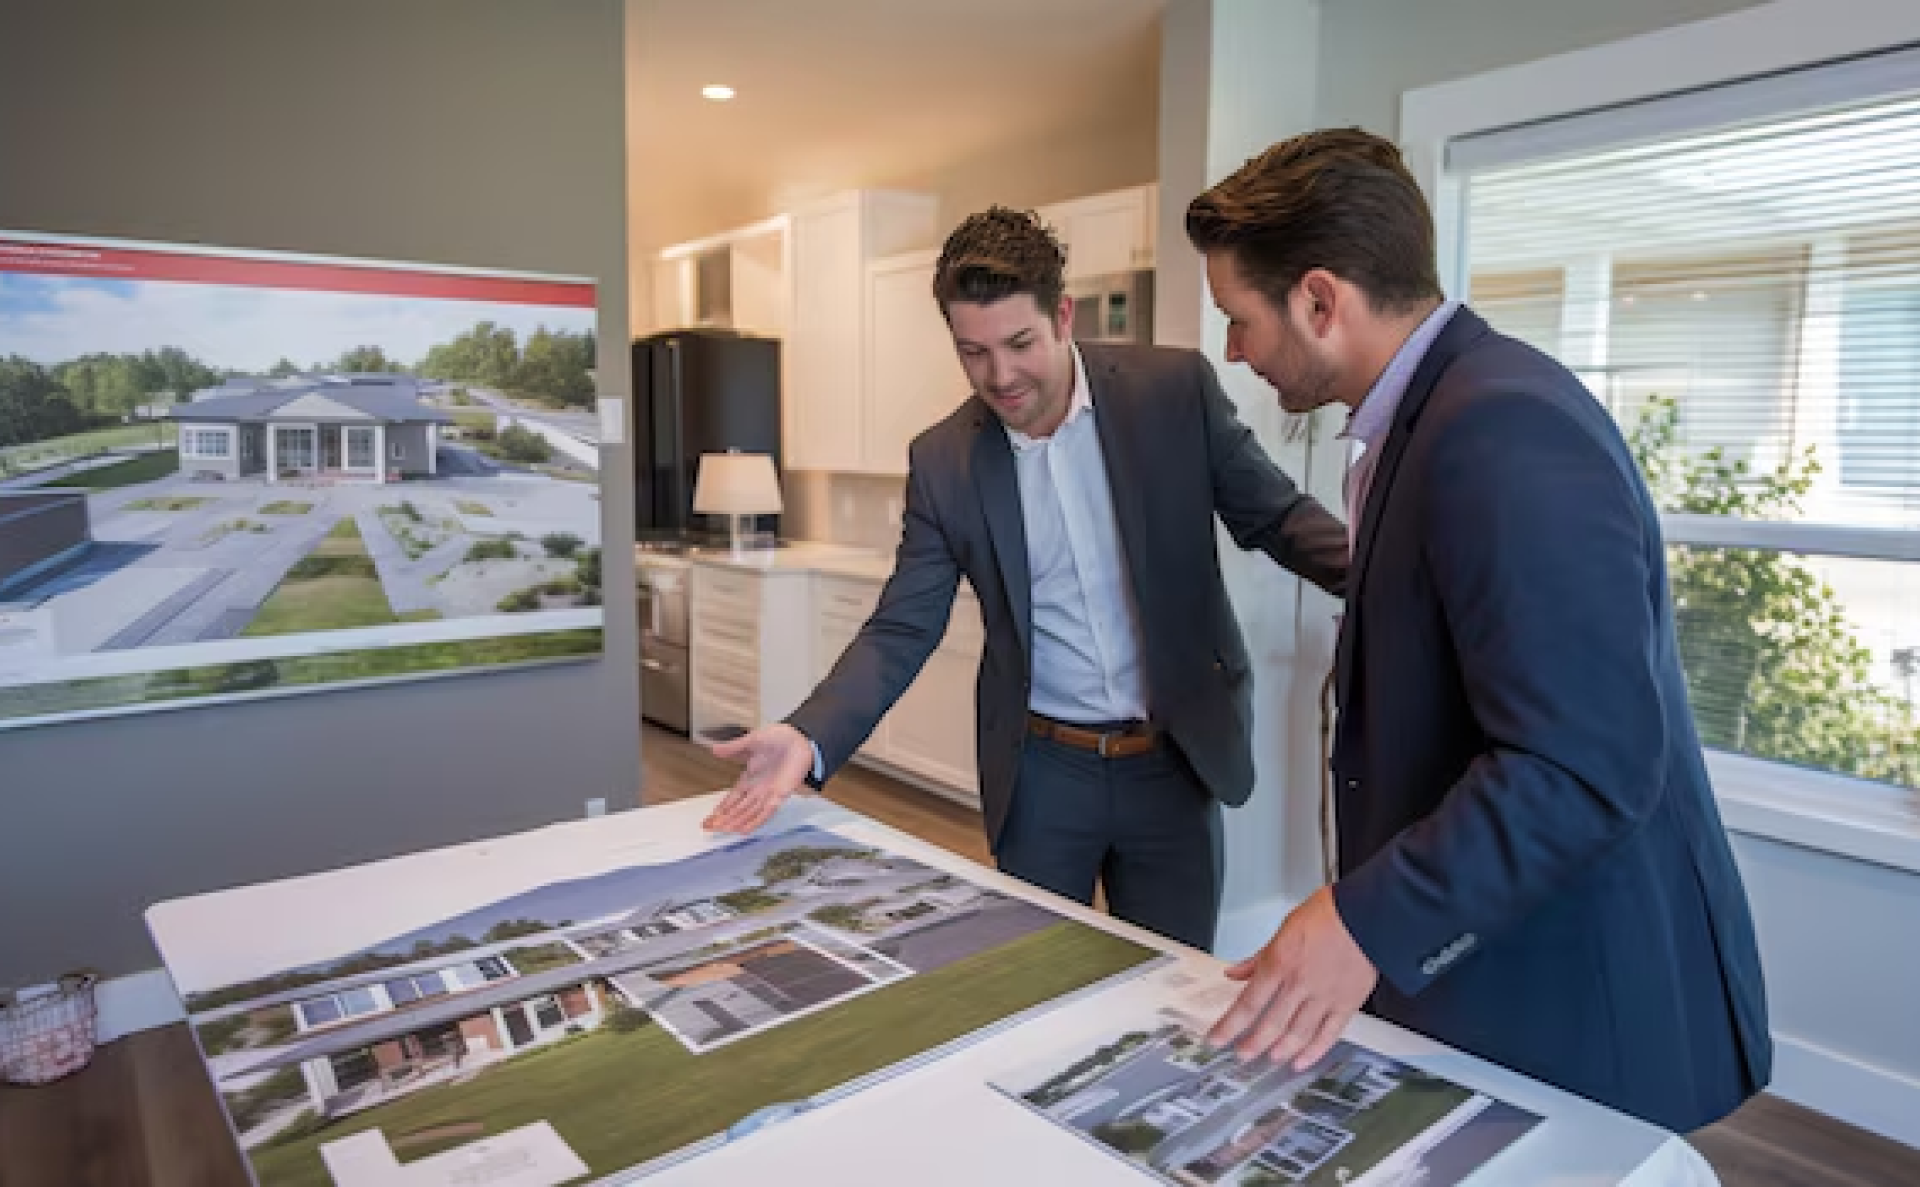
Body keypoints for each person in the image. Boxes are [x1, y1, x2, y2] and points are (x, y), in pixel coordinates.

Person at [1183, 128, 1771, 1132]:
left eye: (1239, 319)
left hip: (1581, 999)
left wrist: (1363, 917)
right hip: (1496, 966)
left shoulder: (1501, 425)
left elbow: (1580, 765)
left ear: (1320, 300)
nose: (1234, 351)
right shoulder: (1426, 415)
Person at [703, 206, 1348, 951]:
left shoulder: (1170, 391)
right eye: (972, 351)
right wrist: (809, 735)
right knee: (1033, 974)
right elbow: (904, 624)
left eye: (1018, 343)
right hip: (1043, 774)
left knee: (1175, 984)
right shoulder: (944, 460)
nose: (1000, 376)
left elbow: (1276, 517)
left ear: (1063, 315)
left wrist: (1398, 579)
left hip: (1174, 763)